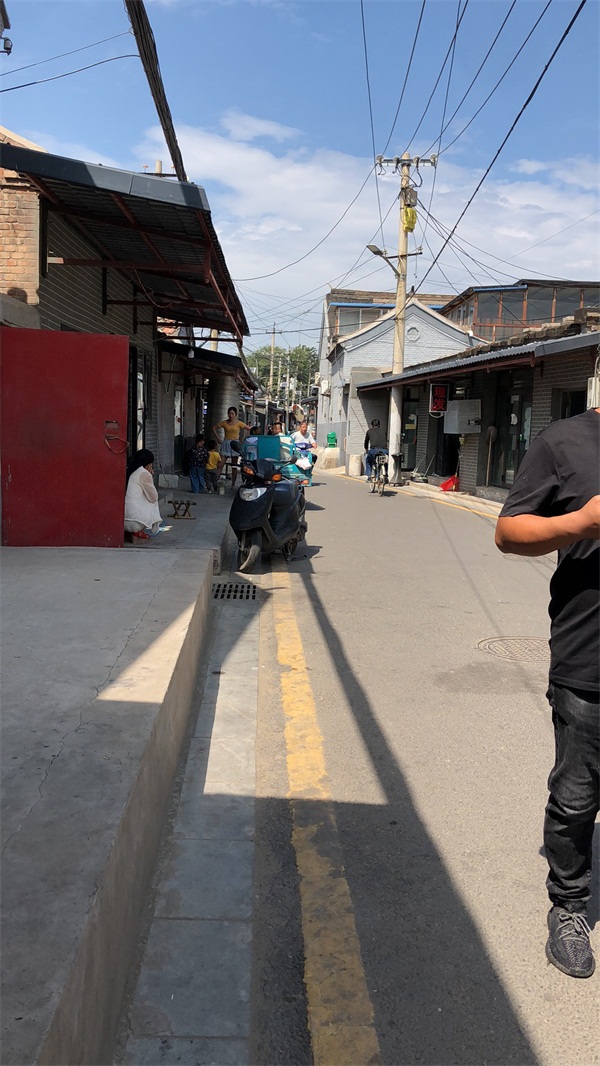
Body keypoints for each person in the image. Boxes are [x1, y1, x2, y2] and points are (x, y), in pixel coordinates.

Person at [495, 405, 600, 979]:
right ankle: (569, 907)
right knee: (577, 796)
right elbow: (508, 532)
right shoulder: (563, 443)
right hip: (589, 657)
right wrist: (579, 524)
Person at [124, 449, 162, 540]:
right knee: (153, 501)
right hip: (135, 522)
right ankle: (140, 529)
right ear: (149, 464)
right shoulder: (144, 473)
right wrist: (150, 476)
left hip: (123, 518)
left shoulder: (128, 470)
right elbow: (153, 497)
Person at [212, 406, 249, 490]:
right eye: (229, 413)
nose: (231, 415)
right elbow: (213, 428)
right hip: (226, 443)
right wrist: (218, 438)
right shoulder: (224, 422)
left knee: (234, 466)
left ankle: (233, 484)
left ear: (235, 414)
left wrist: (243, 438)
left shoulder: (239, 423)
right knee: (220, 465)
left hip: (235, 444)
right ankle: (215, 483)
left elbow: (248, 429)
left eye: (232, 413)